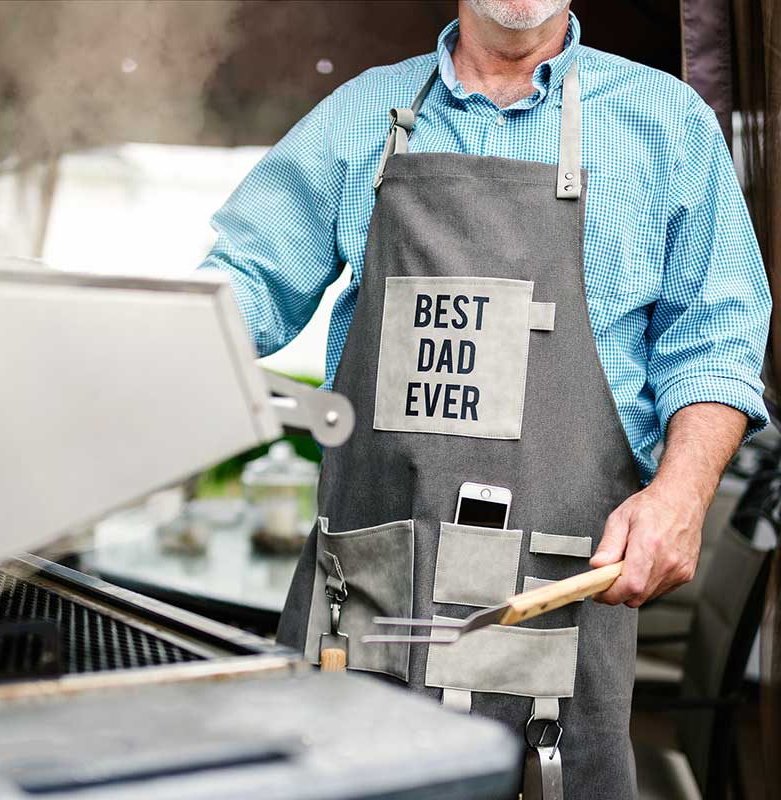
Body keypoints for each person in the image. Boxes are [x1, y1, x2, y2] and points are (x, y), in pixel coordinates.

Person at [199, 1, 771, 796]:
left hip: (558, 617)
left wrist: (682, 493)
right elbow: (243, 282)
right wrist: (130, 333)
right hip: (364, 621)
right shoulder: (363, 114)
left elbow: (718, 338)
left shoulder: (664, 123)